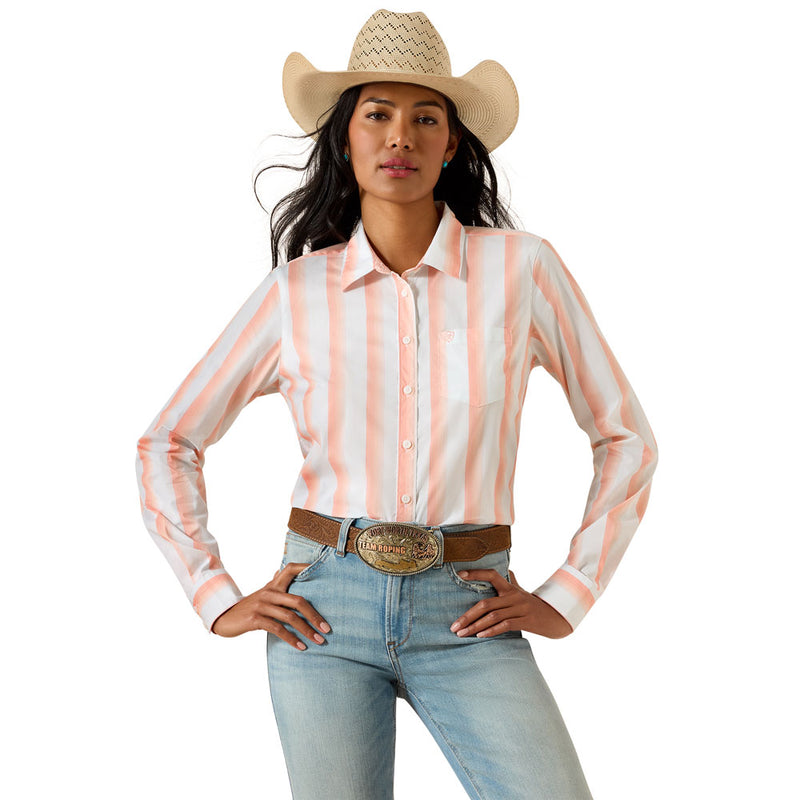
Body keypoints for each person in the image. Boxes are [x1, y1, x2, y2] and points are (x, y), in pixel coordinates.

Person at [135, 9, 658, 799]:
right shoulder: (296, 293)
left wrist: (568, 593)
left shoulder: (522, 271)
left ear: (452, 145)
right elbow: (168, 440)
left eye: (426, 118)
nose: (400, 137)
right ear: (345, 139)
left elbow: (625, 437)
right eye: (377, 115)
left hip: (470, 608)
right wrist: (215, 597)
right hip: (322, 611)